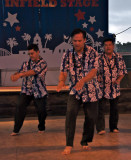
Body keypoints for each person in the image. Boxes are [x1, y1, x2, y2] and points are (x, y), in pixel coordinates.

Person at [57, 28, 101, 154]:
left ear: (85, 40)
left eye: (79, 40)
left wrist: (83, 81)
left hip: (91, 89)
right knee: (70, 114)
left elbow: (93, 71)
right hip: (75, 90)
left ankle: (85, 140)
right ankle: (69, 144)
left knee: (92, 117)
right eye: (74, 41)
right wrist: (61, 81)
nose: (76, 43)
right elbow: (63, 71)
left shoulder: (93, 52)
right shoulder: (67, 54)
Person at [10, 44, 48, 136]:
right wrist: (14, 75)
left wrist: (20, 75)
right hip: (26, 91)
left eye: (32, 53)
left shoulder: (43, 63)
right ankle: (16, 130)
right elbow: (19, 72)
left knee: (41, 110)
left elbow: (33, 72)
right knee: (19, 106)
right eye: (29, 54)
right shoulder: (25, 63)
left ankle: (41, 127)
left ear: (38, 52)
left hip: (39, 91)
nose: (31, 55)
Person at [96, 38, 127, 135]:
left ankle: (113, 127)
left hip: (114, 88)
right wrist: (97, 77)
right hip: (102, 87)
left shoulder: (119, 57)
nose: (108, 47)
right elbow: (94, 71)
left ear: (113, 46)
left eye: (109, 45)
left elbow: (123, 72)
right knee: (100, 109)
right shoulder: (99, 58)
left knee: (114, 109)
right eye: (106, 45)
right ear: (103, 47)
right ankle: (100, 128)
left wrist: (118, 80)